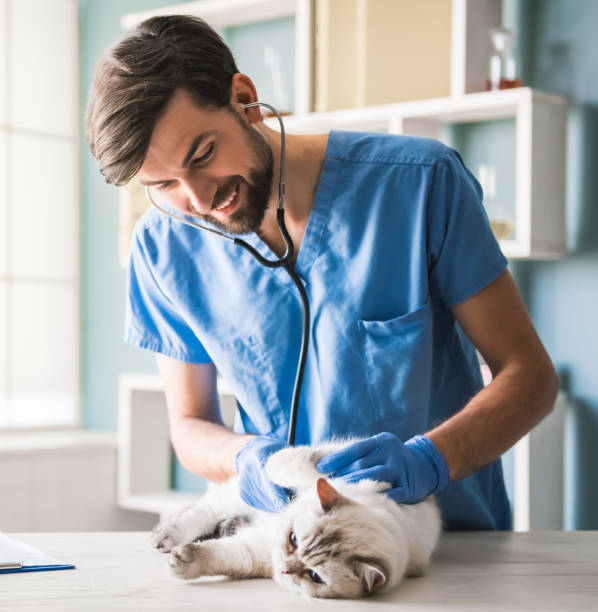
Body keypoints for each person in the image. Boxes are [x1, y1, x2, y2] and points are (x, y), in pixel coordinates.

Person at [85, 15, 558, 530]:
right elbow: (191, 424)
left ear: (244, 97)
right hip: (291, 556)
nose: (199, 200)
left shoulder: (421, 185)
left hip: (451, 553)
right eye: (164, 184)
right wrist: (247, 461)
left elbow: (529, 378)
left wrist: (429, 460)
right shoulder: (161, 248)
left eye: (204, 155)